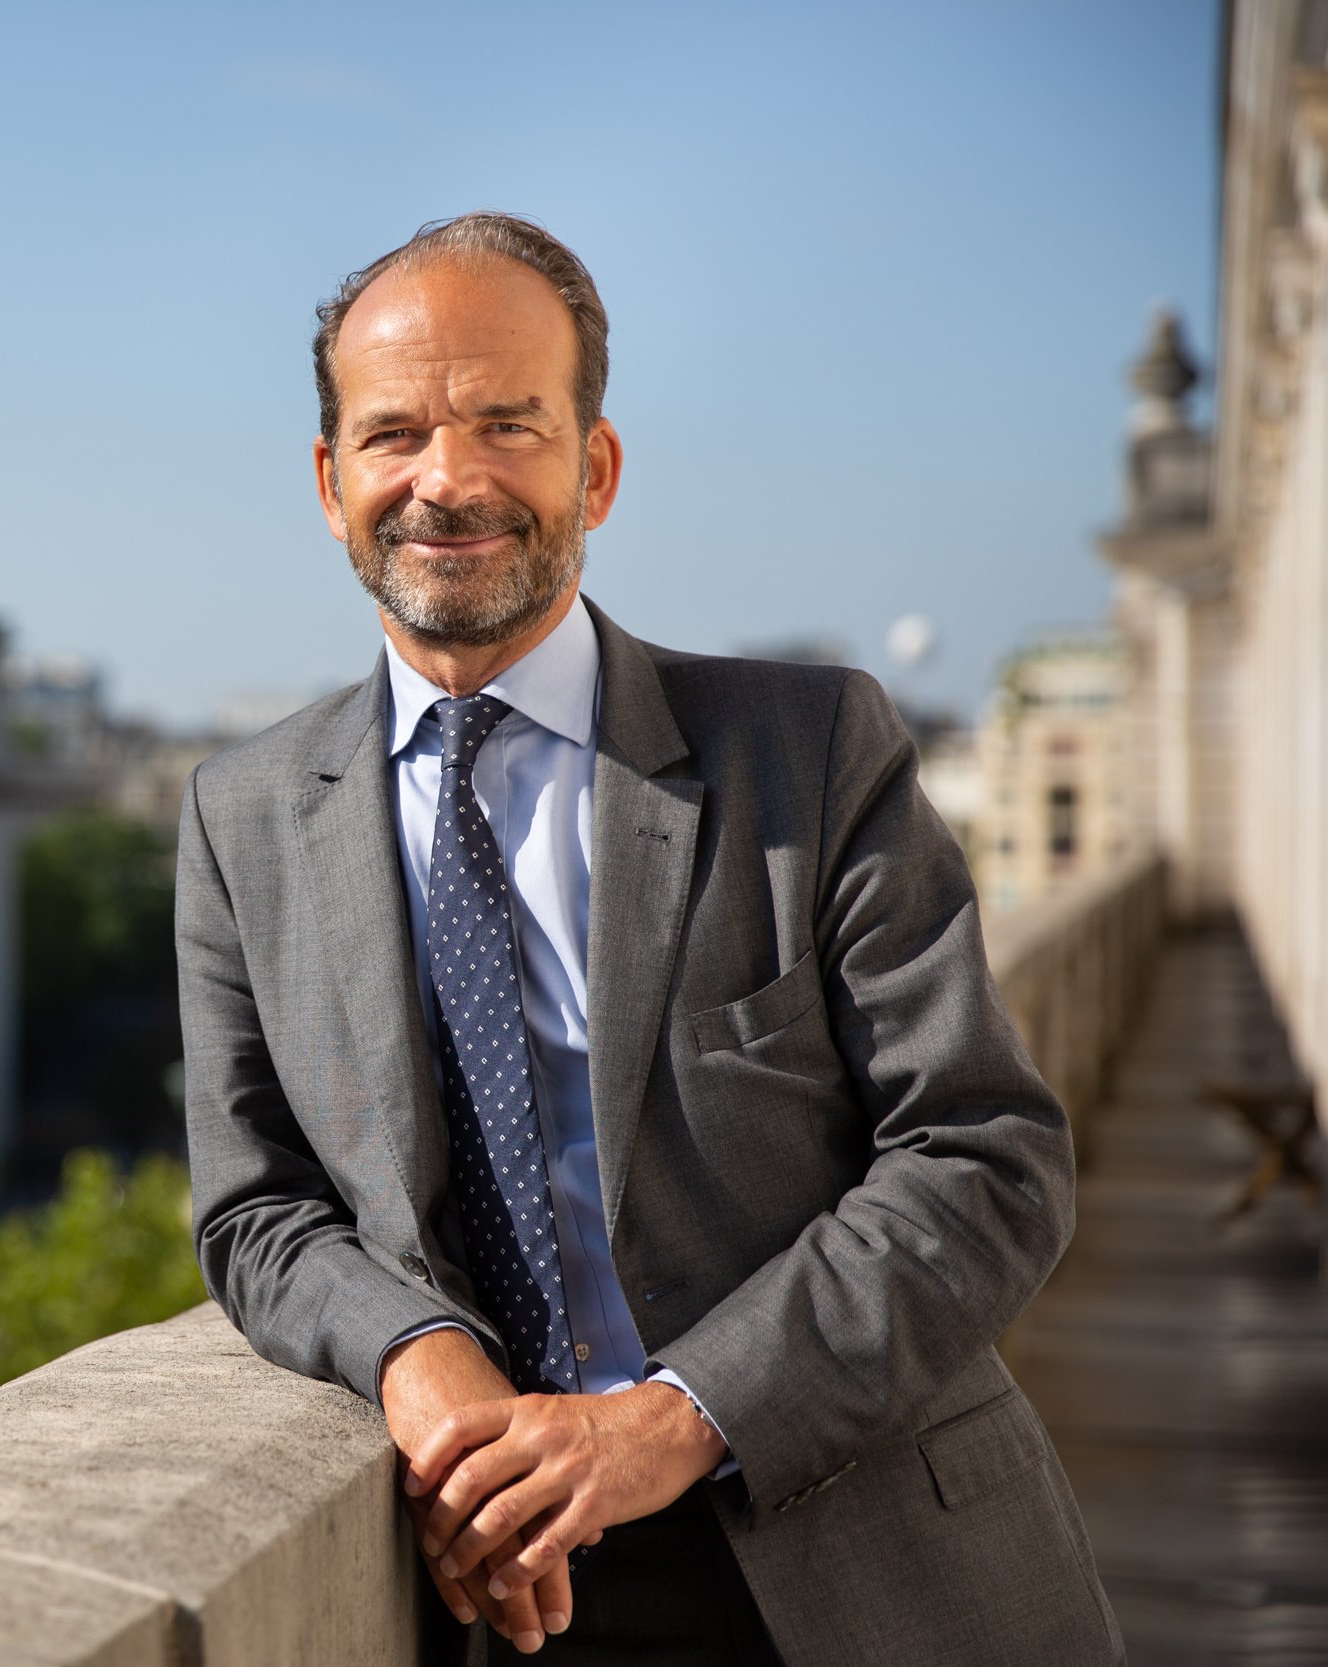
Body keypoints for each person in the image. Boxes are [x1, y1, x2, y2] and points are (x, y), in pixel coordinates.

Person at [175, 213, 1122, 1665]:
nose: (449, 479)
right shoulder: (242, 818)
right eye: (394, 435)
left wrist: (672, 1422)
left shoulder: (804, 753)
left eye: (509, 422)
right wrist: (408, 1350)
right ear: (328, 482)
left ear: (595, 467)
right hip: (495, 1595)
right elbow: (257, 1212)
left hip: (864, 1563)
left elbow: (985, 1158)